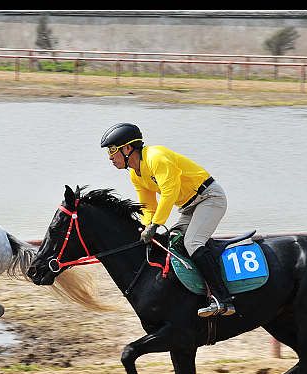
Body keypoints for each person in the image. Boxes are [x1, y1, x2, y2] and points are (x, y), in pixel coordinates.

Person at [100, 122, 235, 317]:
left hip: (210, 198)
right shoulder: (136, 174)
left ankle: (223, 299)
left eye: (112, 151)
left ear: (128, 148)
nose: (110, 157)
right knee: (174, 240)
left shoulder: (156, 158)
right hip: (190, 206)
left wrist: (155, 225)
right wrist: (146, 226)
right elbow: (149, 206)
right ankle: (198, 293)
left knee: (192, 242)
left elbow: (168, 193)